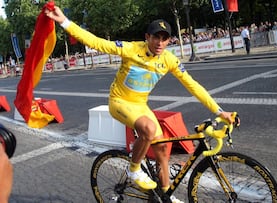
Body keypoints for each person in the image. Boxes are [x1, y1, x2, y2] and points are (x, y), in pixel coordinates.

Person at [45, 6, 237, 203]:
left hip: (140, 105)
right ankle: (133, 169)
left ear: (170, 40)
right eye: (156, 37)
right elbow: (97, 43)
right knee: (149, 128)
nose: (160, 43)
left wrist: (220, 111)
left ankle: (164, 196)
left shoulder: (169, 59)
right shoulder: (131, 49)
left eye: (165, 38)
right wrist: (64, 21)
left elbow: (193, 86)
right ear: (147, 37)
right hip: (119, 102)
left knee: (163, 150)